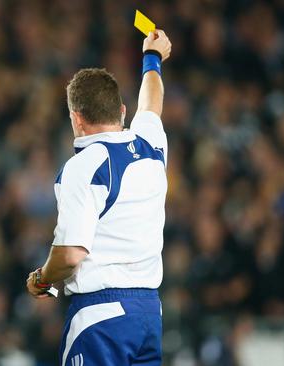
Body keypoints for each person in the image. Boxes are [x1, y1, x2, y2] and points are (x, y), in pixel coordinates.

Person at [26, 30, 172, 366]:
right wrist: (152, 58)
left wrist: (41, 279)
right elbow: (151, 104)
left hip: (100, 316)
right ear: (122, 111)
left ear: (76, 117)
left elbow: (72, 254)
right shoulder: (151, 147)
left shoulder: (84, 166)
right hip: (149, 313)